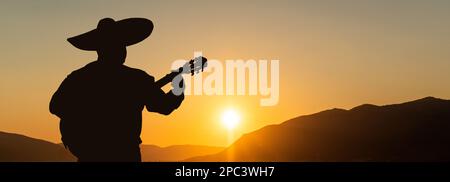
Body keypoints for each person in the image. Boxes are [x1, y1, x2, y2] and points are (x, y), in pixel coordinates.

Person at [49, 17, 184, 162]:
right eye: (120, 45)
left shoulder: (78, 77)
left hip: (89, 155)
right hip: (125, 154)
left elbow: (56, 106)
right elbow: (163, 105)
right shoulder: (136, 78)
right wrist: (179, 85)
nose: (123, 49)